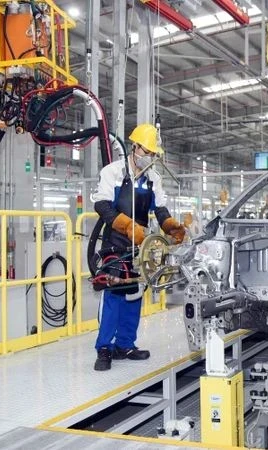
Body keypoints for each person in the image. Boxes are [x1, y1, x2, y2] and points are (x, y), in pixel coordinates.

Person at [91, 123, 186, 371]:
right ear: (134, 147)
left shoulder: (153, 178)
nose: (150, 157)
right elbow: (102, 206)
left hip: (140, 244)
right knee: (113, 295)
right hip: (116, 241)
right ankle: (104, 348)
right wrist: (126, 226)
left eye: (154, 154)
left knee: (133, 295)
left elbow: (161, 209)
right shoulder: (113, 172)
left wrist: (171, 227)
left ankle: (125, 345)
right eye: (147, 151)